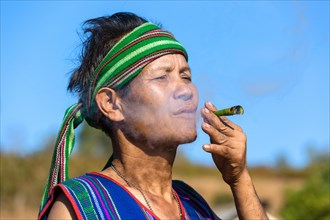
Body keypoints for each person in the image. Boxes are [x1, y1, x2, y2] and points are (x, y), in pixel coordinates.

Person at [38, 12, 268, 220]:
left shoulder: (194, 206)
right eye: (162, 78)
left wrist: (239, 180)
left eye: (186, 77)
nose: (186, 90)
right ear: (111, 104)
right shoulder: (82, 206)